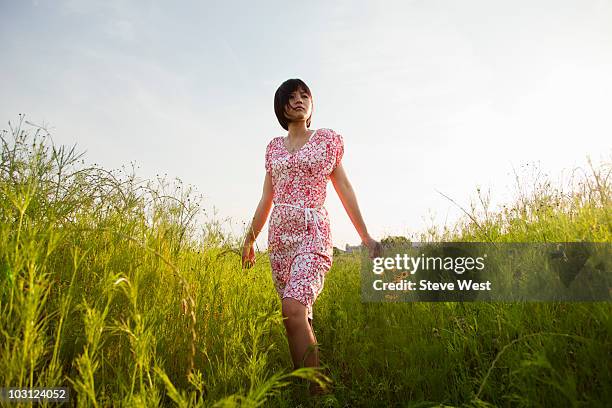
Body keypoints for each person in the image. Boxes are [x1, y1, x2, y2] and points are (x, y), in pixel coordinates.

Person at [242, 78, 381, 394]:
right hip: (279, 240)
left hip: (312, 233)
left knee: (293, 309)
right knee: (295, 318)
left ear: (311, 104)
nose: (299, 99)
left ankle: (319, 398)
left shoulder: (326, 140)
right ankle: (307, 393)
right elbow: (266, 197)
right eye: (291, 96)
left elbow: (344, 187)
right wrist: (250, 239)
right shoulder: (274, 148)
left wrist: (366, 237)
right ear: (281, 106)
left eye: (305, 95)